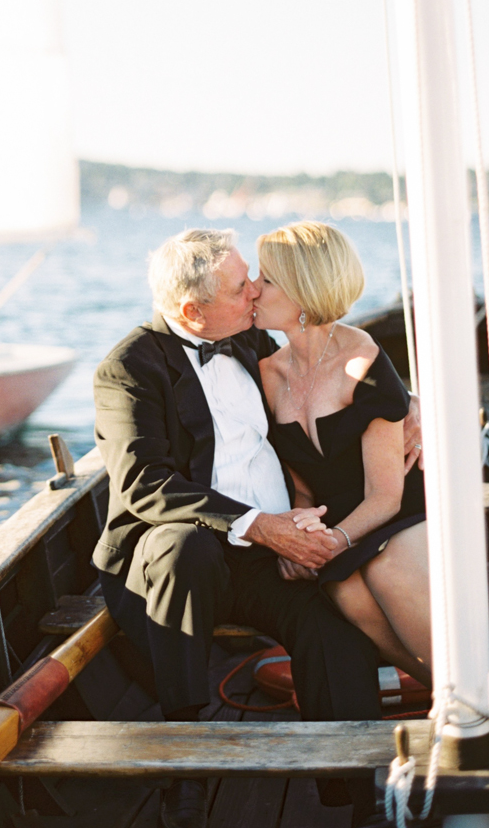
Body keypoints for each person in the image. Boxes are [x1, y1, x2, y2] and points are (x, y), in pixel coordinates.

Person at [92, 228, 423, 828]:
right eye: (242, 285)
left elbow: (328, 362)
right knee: (182, 547)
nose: (254, 292)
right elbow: (144, 484)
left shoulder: (246, 338)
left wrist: (409, 404)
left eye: (254, 279)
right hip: (176, 554)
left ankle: (356, 791)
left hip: (263, 553)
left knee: (332, 624)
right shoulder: (128, 368)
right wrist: (262, 526)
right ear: (192, 310)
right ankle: (185, 759)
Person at [254, 221, 489, 688]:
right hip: (340, 528)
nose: (253, 289)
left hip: (398, 511)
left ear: (301, 291)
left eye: (266, 279)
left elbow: (387, 496)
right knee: (345, 590)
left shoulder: (362, 361)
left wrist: (331, 542)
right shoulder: (268, 373)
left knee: (388, 569)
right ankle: (452, 696)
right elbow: (304, 487)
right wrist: (298, 534)